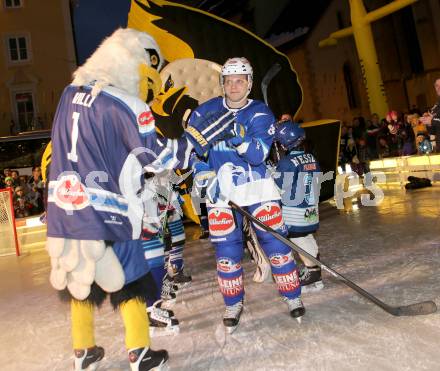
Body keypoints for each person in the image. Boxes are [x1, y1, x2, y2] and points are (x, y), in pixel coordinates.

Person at [44, 28, 234, 371]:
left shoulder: (68, 94)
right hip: (108, 210)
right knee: (130, 279)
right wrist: (195, 139)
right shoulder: (125, 104)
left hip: (65, 207)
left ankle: (83, 350)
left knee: (81, 275)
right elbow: (159, 159)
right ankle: (139, 352)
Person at [190, 57, 304, 333]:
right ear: (222, 83)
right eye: (229, 80)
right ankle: (232, 303)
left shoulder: (260, 112)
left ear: (249, 83)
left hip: (256, 186)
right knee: (226, 251)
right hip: (221, 189)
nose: (234, 86)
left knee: (275, 244)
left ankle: (293, 296)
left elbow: (257, 155)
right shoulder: (204, 112)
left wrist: (239, 138)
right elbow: (193, 151)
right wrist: (202, 172)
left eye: (240, 80)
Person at [273, 121, 324, 293]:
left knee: (297, 240)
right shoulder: (311, 157)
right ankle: (315, 272)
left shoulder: (287, 162)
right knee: (308, 237)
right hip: (310, 209)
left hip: (294, 213)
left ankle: (312, 272)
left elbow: (279, 187)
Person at [420, 78, 440, 152]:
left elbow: (435, 121)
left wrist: (432, 121)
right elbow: (432, 131)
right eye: (436, 86)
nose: (439, 87)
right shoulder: (435, 106)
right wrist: (428, 122)